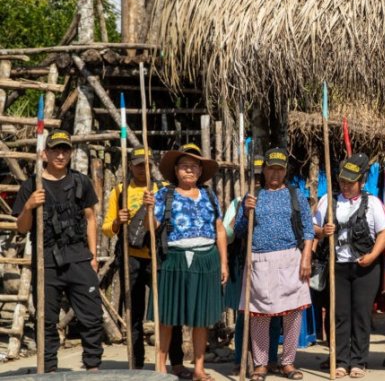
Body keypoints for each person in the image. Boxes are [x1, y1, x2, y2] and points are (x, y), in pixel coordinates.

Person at [13, 130, 102, 372]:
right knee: (45, 320)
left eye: (65, 150)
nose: (60, 155)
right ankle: (48, 369)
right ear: (45, 153)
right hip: (46, 260)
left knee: (92, 316)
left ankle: (93, 366)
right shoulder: (32, 185)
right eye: (55, 150)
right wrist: (30, 206)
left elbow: (91, 219)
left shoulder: (81, 181)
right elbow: (21, 227)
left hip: (78, 256)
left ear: (71, 153)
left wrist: (93, 255)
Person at [103, 147, 191, 376]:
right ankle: (137, 363)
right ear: (130, 166)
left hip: (159, 258)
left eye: (147, 164)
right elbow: (106, 228)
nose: (143, 169)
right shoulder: (120, 192)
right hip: (130, 259)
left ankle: (177, 362)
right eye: (139, 164)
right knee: (134, 311)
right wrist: (117, 222)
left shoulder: (161, 191)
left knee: (169, 311)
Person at [145, 143, 228, 380]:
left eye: (194, 166)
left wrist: (223, 263)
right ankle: (160, 367)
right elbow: (153, 229)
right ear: (176, 170)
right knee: (168, 316)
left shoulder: (210, 196)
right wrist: (149, 209)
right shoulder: (164, 195)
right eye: (184, 166)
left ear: (201, 171)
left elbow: (219, 230)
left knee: (201, 318)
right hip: (174, 259)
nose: (189, 171)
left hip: (206, 258)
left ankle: (199, 368)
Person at [235, 148, 315, 381]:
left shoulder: (294, 194)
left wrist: (307, 258)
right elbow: (240, 231)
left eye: (280, 169)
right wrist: (246, 212)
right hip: (259, 260)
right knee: (259, 314)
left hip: (290, 258)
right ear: (264, 169)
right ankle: (260, 364)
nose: (275, 173)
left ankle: (288, 362)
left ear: (285, 170)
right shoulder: (253, 196)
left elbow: (308, 229)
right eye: (271, 168)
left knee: (292, 314)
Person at [316, 153, 385, 378]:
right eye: (343, 182)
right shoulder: (328, 201)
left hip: (365, 268)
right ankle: (340, 360)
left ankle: (358, 361)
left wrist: (372, 256)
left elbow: (384, 233)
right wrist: (324, 232)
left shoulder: (373, 203)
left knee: (360, 314)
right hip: (337, 266)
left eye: (351, 182)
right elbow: (314, 228)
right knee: (339, 314)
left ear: (361, 181)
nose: (346, 186)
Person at [224, 156, 284, 376]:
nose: (259, 182)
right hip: (246, 262)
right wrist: (244, 212)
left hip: (273, 263)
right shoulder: (240, 201)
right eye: (257, 177)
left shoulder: (280, 199)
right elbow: (230, 234)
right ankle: (241, 357)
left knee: (274, 312)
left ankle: (270, 359)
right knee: (246, 314)